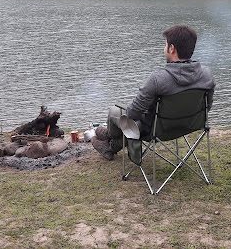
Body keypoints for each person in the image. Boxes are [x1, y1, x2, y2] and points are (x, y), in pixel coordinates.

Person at [92, 25, 216, 160]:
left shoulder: (158, 79)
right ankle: (108, 141)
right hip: (190, 125)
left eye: (165, 45)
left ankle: (110, 142)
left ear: (172, 48)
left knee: (114, 111)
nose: (164, 49)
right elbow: (207, 107)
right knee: (132, 122)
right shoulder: (207, 75)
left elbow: (132, 114)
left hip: (156, 131)